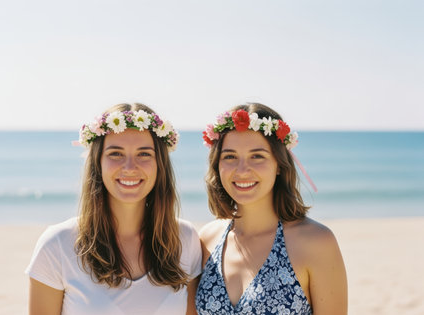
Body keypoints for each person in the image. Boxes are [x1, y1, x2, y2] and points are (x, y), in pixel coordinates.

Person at [26, 103, 202, 315]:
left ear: (160, 165)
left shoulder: (186, 239)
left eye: (144, 154)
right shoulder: (57, 245)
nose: (129, 167)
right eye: (116, 153)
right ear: (97, 162)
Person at [195, 103, 347, 314]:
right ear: (217, 165)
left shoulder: (316, 242)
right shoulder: (207, 239)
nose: (242, 170)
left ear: (279, 165)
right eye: (230, 156)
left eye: (257, 156)